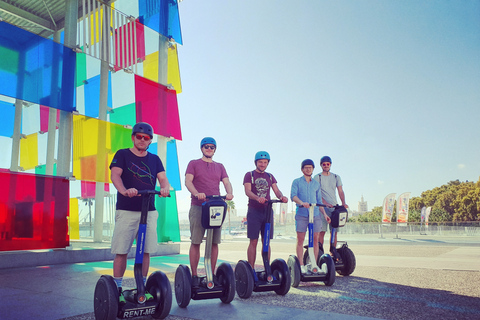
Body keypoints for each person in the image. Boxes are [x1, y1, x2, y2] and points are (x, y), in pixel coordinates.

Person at [110, 122, 170, 304]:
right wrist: (124, 190)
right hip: (127, 210)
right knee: (121, 251)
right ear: (133, 137)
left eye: (146, 138)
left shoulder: (154, 159)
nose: (142, 140)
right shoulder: (122, 154)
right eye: (139, 137)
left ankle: (141, 288)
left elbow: (163, 178)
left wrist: (165, 187)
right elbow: (115, 176)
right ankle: (118, 289)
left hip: (149, 211)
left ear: (150, 140)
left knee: (145, 252)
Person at [185, 137, 234, 286]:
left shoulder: (220, 166)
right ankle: (194, 275)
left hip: (215, 207)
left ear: (215, 149)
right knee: (196, 241)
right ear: (201, 148)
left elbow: (226, 182)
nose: (209, 149)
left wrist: (229, 193)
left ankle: (211, 274)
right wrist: (196, 193)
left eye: (212, 147)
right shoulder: (193, 163)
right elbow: (188, 181)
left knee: (214, 242)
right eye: (206, 146)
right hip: (199, 206)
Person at [243, 151, 288, 269]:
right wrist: (257, 198)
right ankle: (251, 270)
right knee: (253, 241)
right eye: (260, 162)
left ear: (267, 163)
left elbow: (276, 190)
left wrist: (281, 197)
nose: (263, 164)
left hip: (267, 212)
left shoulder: (270, 176)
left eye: (265, 162)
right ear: (256, 162)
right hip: (254, 211)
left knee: (266, 241)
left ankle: (267, 269)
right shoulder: (250, 175)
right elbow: (247, 191)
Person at [291, 159, 331, 273]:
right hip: (302, 214)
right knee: (300, 239)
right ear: (302, 169)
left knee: (315, 239)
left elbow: (319, 201)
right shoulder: (296, 182)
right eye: (306, 167)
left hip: (316, 215)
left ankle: (314, 264)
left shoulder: (316, 184)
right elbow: (293, 196)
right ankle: (301, 265)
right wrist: (301, 202)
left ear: (313, 169)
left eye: (310, 167)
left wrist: (325, 214)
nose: (308, 169)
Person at [313, 156, 348, 251]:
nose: (326, 166)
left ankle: (333, 251)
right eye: (324, 164)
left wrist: (343, 203)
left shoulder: (336, 177)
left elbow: (340, 191)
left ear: (330, 165)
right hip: (323, 208)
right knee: (322, 231)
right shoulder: (317, 177)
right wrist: (325, 203)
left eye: (327, 164)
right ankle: (320, 252)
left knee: (334, 232)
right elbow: (317, 193)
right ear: (321, 165)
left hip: (334, 208)